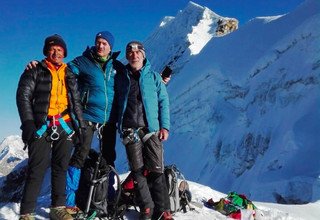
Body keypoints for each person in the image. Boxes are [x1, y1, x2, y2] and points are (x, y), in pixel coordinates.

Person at [16, 34, 85, 220]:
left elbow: (76, 102)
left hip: (65, 124)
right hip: (41, 124)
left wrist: (80, 127)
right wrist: (28, 123)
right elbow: (23, 96)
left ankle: (58, 208)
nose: (56, 52)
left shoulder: (69, 73)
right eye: (52, 49)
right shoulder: (35, 70)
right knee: (36, 168)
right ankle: (27, 213)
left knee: (61, 167)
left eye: (60, 49)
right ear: (47, 51)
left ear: (64, 52)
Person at [114, 41, 172, 220]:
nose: (134, 55)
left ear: (143, 55)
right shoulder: (120, 78)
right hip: (130, 130)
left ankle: (163, 211)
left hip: (152, 129)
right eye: (130, 52)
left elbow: (163, 102)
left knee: (156, 171)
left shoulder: (154, 78)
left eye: (138, 52)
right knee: (138, 172)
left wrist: (165, 126)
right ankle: (147, 208)